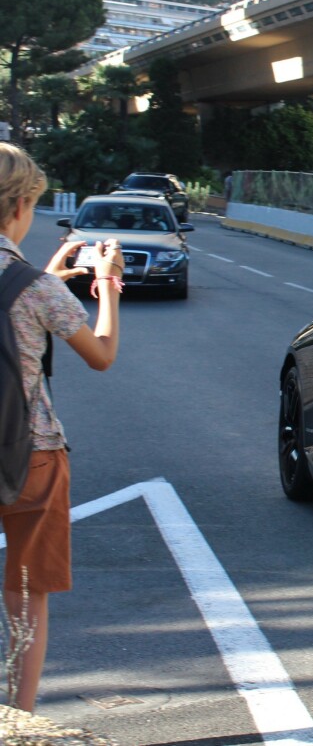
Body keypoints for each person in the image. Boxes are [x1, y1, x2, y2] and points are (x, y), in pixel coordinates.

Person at [0, 143, 122, 713]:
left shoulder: (37, 284)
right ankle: (18, 718)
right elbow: (100, 355)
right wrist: (106, 285)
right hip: (32, 456)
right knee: (27, 594)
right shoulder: (35, 287)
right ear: (21, 205)